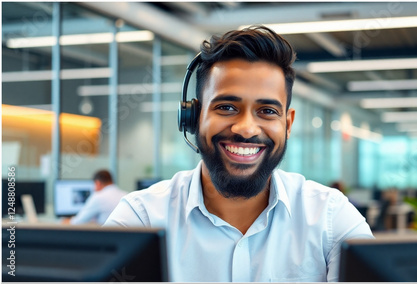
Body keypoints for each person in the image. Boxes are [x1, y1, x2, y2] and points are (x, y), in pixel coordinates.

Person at [104, 26, 373, 282]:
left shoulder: (330, 217)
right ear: (194, 117)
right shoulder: (142, 219)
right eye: (226, 107)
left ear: (288, 124)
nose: (245, 129)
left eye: (267, 111)